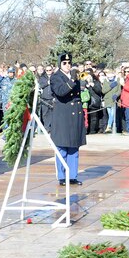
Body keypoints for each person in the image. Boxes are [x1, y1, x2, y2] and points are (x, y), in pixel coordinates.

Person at [48, 53, 86, 186]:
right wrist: (71, 81)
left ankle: (73, 176)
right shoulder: (56, 77)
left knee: (74, 146)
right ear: (60, 64)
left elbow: (78, 95)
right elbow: (61, 91)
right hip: (63, 114)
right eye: (64, 63)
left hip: (75, 112)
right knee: (62, 146)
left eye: (69, 63)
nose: (68, 65)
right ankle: (62, 176)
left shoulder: (74, 76)